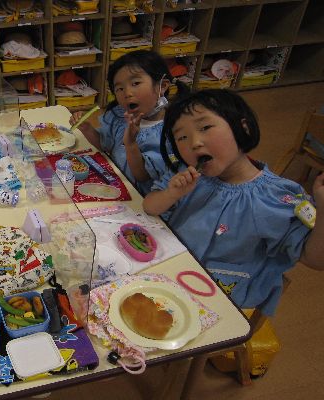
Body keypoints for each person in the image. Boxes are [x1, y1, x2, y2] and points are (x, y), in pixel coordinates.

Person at [143, 89, 324, 315]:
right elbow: (149, 206)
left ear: (243, 128)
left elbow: (315, 259)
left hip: (220, 306)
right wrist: (171, 194)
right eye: (182, 137)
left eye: (205, 127)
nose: (195, 143)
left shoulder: (274, 198)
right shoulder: (185, 175)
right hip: (166, 275)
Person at [69, 50, 188, 194]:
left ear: (162, 86)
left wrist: (131, 143)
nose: (127, 93)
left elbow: (142, 176)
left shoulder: (170, 133)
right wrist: (87, 128)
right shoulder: (120, 116)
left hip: (138, 197)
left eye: (135, 83)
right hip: (114, 184)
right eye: (119, 88)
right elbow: (104, 144)